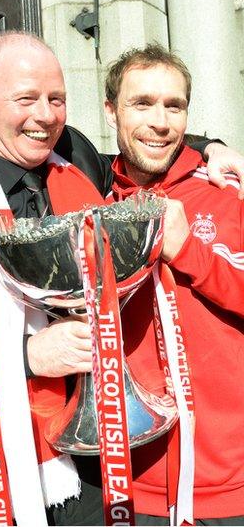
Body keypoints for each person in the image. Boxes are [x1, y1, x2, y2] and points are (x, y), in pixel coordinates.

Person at [0, 30, 242, 527]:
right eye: (25, 98)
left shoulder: (78, 163)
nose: (45, 115)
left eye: (57, 99)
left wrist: (214, 147)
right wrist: (27, 356)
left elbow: (151, 135)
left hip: (95, 464)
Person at [100, 43, 244, 525]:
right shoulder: (92, 197)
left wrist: (188, 250)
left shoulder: (227, 194)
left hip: (228, 488)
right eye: (141, 103)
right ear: (110, 110)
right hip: (131, 483)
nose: (160, 121)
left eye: (174, 105)